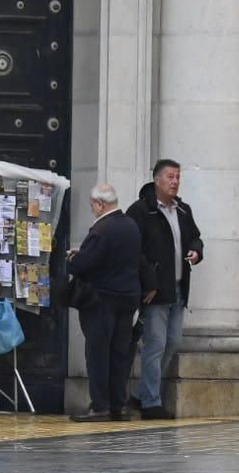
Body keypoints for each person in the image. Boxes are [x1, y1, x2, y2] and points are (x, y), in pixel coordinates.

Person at [127, 160, 203, 420]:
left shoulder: (183, 210)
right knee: (155, 344)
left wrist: (197, 250)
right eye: (170, 177)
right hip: (156, 291)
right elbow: (135, 252)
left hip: (179, 287)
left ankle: (139, 394)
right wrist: (148, 283)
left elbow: (195, 236)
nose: (175, 182)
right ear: (157, 180)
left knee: (172, 342)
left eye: (178, 177)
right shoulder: (140, 211)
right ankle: (151, 402)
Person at [67, 183, 143, 422]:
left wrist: (73, 259)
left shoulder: (102, 229)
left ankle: (100, 405)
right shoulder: (131, 226)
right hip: (127, 298)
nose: (93, 211)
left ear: (100, 204)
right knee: (120, 354)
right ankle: (117, 405)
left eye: (93, 206)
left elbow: (84, 265)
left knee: (98, 353)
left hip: (101, 300)